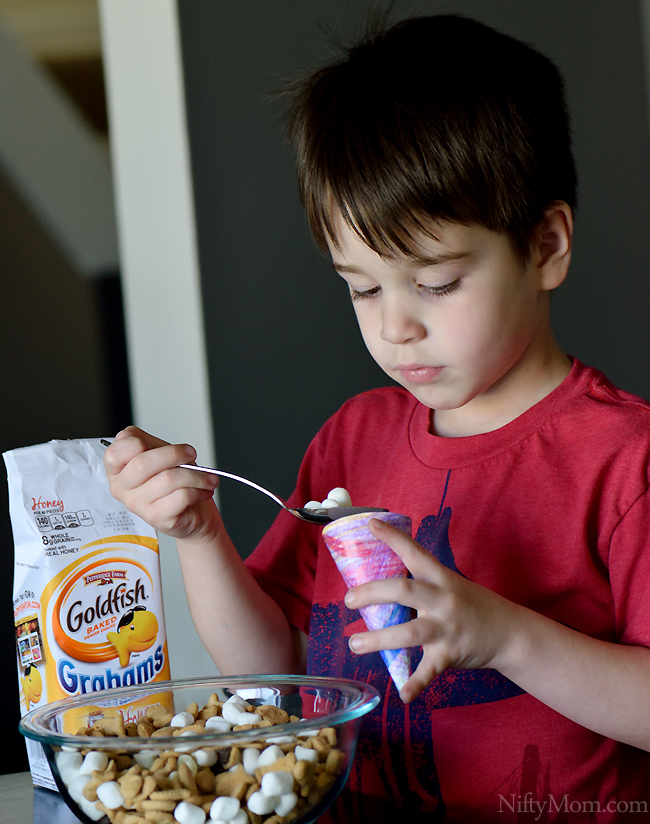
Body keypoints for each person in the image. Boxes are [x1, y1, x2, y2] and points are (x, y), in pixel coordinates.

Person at [104, 14, 650, 822]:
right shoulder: (351, 442)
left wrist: (506, 636)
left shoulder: (623, 460)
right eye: (362, 287)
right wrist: (198, 537)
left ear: (545, 246)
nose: (395, 327)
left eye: (434, 283)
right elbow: (279, 673)